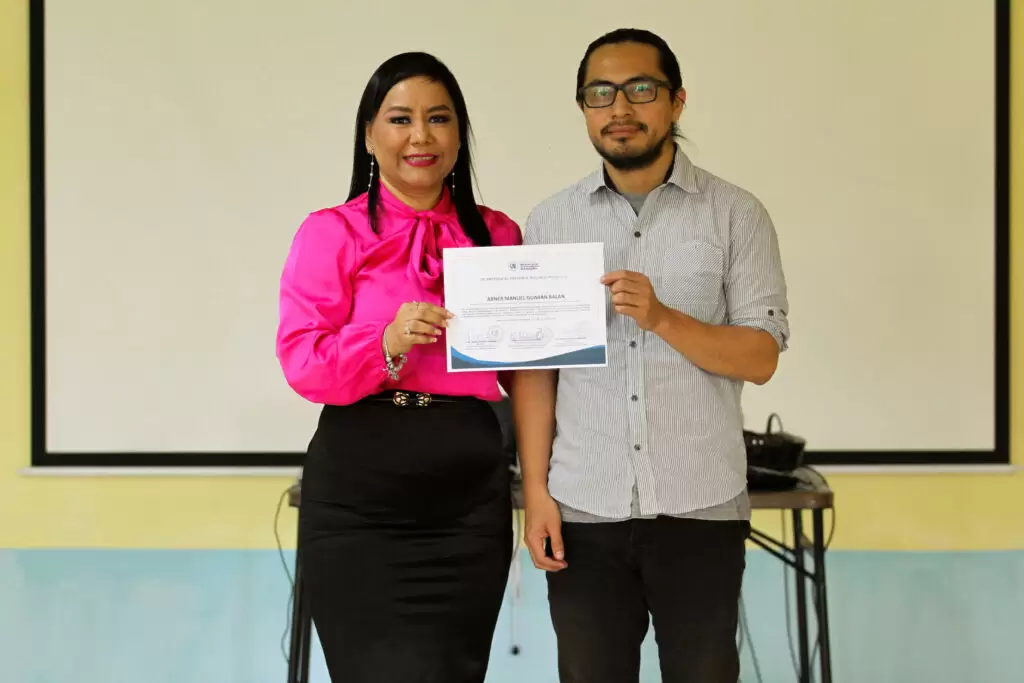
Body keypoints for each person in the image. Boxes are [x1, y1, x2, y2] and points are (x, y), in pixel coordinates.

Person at [511, 28, 791, 683]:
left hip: (700, 506)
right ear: (583, 107)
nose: (620, 108)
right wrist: (537, 493)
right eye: (599, 94)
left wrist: (663, 317)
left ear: (677, 101)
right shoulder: (549, 223)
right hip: (584, 506)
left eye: (640, 89)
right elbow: (536, 372)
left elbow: (760, 355)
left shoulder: (735, 215)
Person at [275, 52, 521, 683]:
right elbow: (303, 361)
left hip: (469, 503)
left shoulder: (499, 235)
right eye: (400, 118)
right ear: (369, 134)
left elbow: (528, 370)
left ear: (459, 134)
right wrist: (384, 342)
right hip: (360, 500)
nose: (421, 136)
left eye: (439, 119)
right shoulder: (331, 232)